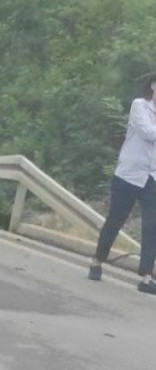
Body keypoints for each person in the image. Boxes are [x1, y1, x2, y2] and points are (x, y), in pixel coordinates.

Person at [89, 73, 156, 295]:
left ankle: (146, 277)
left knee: (152, 226)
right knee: (116, 220)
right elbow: (148, 133)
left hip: (151, 177)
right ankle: (97, 262)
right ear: (153, 86)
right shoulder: (140, 106)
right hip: (128, 174)